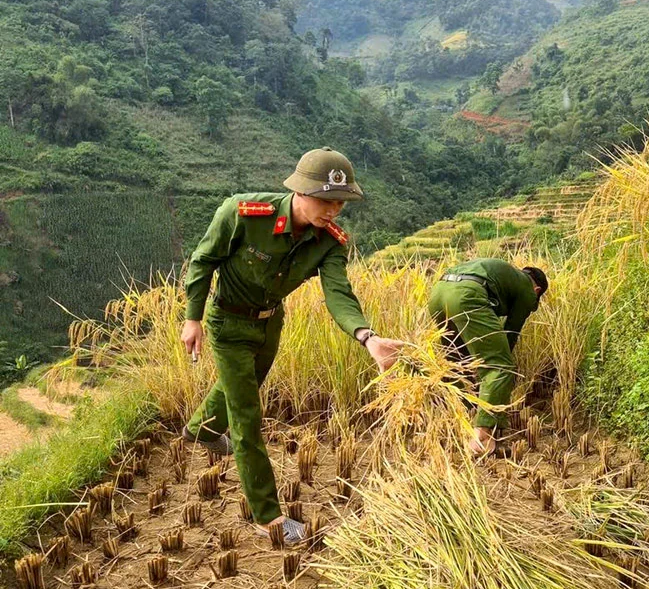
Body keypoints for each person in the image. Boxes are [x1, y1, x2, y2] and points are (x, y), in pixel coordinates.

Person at [180, 147, 402, 542]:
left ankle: (199, 429)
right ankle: (269, 518)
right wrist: (192, 317)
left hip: (270, 323)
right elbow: (203, 260)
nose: (333, 210)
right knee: (247, 417)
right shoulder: (244, 213)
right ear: (299, 191)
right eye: (326, 200)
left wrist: (367, 338)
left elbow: (339, 294)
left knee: (242, 387)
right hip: (229, 322)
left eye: (340, 202)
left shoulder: (330, 242)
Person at [428, 258, 548, 456]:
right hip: (467, 296)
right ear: (537, 291)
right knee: (500, 367)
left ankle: (457, 425)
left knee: (459, 364)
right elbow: (511, 333)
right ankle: (483, 439)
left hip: (438, 294)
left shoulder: (508, 274)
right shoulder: (528, 290)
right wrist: (495, 374)